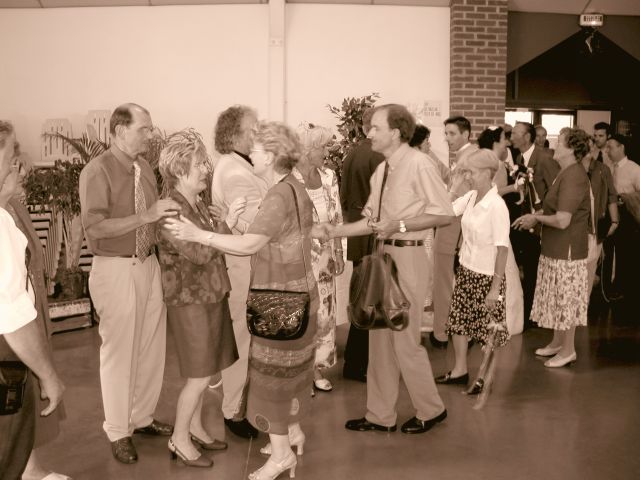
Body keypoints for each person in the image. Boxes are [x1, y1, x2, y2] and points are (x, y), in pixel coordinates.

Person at [166, 121, 317, 480]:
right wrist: (223, 226)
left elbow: (250, 244)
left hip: (279, 297)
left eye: (258, 150)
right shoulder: (293, 187)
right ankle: (292, 433)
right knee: (290, 371)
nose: (252, 154)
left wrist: (200, 234)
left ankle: (281, 455)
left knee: (271, 377)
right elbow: (268, 236)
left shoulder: (278, 194)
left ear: (272, 156)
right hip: (294, 292)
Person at [316, 104, 454, 435]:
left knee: (404, 340)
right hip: (383, 256)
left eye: (376, 127)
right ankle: (380, 415)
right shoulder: (382, 170)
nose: (369, 133)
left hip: (409, 257)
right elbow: (372, 221)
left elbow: (444, 213)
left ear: (396, 132)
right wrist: (333, 231)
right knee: (379, 339)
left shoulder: (420, 164)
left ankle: (431, 409)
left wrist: (399, 225)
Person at [78, 103, 176, 464]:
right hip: (115, 268)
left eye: (150, 128)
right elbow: (95, 228)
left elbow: (152, 221)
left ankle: (142, 417)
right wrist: (145, 216)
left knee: (151, 348)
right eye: (144, 129)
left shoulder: (144, 168)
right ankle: (118, 431)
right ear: (120, 131)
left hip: (148, 264)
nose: (150, 134)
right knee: (119, 353)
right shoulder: (97, 171)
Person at [155, 131, 244, 467]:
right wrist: (225, 225)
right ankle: (179, 438)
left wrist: (222, 224)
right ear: (180, 170)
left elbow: (214, 244)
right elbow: (199, 253)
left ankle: (194, 428)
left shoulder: (198, 204)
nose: (207, 169)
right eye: (199, 164)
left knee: (206, 369)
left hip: (211, 294)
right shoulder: (170, 211)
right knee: (199, 376)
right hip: (190, 301)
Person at [0, 121, 65, 479]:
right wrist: (48, 376)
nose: (18, 162)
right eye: (12, 152)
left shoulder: (8, 212)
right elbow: (12, 317)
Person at [513, 128, 591, 368]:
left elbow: (563, 220)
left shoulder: (574, 175)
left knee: (566, 301)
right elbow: (553, 210)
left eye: (560, 142)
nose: (554, 144)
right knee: (557, 298)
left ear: (571, 149)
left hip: (567, 251)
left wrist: (536, 218)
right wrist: (537, 214)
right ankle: (558, 343)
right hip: (554, 247)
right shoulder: (564, 172)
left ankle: (568, 350)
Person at [210, 105, 265, 439]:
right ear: (234, 136)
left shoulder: (242, 165)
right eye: (252, 129)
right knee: (241, 338)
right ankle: (232, 410)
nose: (258, 133)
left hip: (248, 263)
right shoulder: (234, 173)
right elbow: (257, 224)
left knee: (246, 336)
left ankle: (240, 403)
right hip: (241, 264)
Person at [435, 149, 510, 392]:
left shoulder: (497, 206)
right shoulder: (471, 197)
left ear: (488, 173)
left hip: (487, 277)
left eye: (472, 172)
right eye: (466, 171)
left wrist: (495, 289)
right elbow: (445, 211)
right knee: (458, 322)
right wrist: (455, 186)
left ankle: (484, 377)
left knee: (488, 330)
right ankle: (460, 370)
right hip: (466, 269)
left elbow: (502, 250)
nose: (468, 176)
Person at [296, 122, 344, 392]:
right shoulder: (289, 179)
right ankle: (301, 372)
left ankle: (316, 368)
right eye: (323, 147)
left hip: (325, 260)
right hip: (298, 260)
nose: (327, 152)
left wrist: (339, 251)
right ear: (308, 149)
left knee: (324, 314)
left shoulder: (329, 176)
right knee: (303, 314)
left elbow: (337, 218)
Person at [339, 107, 384, 383]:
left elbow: (344, 197)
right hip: (373, 234)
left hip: (357, 234)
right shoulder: (380, 156)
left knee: (359, 297)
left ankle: (354, 361)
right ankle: (360, 363)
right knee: (371, 300)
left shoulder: (352, 154)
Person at [431, 116, 477, 349]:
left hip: (453, 229)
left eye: (452, 134)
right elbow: (452, 183)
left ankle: (442, 332)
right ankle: (455, 329)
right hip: (456, 229)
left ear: (466, 134)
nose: (447, 138)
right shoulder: (466, 156)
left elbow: (459, 198)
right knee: (453, 283)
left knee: (444, 282)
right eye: (446, 134)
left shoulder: (468, 159)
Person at [509, 121, 560, 329]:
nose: (511, 137)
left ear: (527, 137)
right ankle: (529, 312)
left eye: (515, 133)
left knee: (536, 269)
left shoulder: (545, 158)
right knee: (528, 267)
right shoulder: (520, 159)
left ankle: (536, 315)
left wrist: (539, 215)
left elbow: (556, 191)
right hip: (526, 221)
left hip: (541, 222)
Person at [476, 127, 524, 335]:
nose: (508, 143)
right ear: (496, 141)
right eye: (505, 139)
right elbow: (490, 192)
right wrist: (514, 187)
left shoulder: (489, 161)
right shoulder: (494, 163)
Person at [579, 136, 619, 295]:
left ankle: (585, 302)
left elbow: (611, 195)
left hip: (596, 226)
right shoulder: (573, 168)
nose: (589, 150)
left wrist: (614, 221)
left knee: (590, 266)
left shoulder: (603, 169)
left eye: (591, 146)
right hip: (576, 226)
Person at [605, 134, 640, 304]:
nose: (607, 151)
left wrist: (625, 198)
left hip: (628, 218)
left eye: (610, 147)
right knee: (610, 253)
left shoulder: (634, 169)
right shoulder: (609, 168)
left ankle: (623, 290)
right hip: (610, 215)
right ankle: (610, 287)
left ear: (621, 147)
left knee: (625, 254)